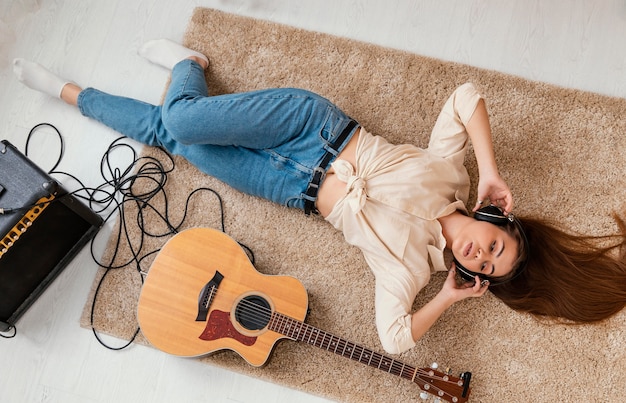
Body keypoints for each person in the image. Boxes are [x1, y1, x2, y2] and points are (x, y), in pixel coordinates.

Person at [13, 39, 626, 354]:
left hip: (288, 188)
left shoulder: (408, 269)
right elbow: (465, 96)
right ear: (494, 218)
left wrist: (444, 297)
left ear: (474, 274)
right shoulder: (451, 173)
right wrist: (490, 169)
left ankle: (71, 93)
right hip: (311, 128)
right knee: (186, 124)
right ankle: (187, 68)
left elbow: (394, 337)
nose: (480, 252)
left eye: (484, 265)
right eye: (493, 243)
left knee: (169, 134)